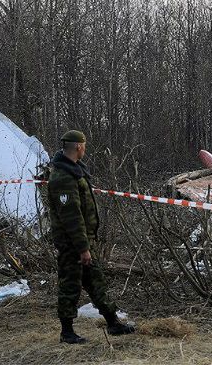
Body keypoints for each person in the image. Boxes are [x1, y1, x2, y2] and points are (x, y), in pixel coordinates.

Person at [47, 130, 135, 344]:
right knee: (70, 285)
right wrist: (82, 248)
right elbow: (71, 217)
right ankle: (66, 332)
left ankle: (113, 323)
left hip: (83, 242)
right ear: (78, 147)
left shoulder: (75, 172)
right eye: (84, 145)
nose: (85, 149)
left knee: (96, 282)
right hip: (73, 244)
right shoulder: (63, 177)